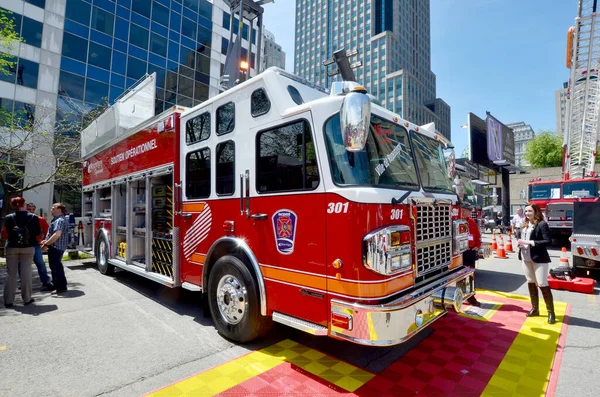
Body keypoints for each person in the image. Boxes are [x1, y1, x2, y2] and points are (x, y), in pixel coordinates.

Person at [517, 204, 556, 324]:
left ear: (536, 211)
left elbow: (548, 241)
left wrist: (529, 242)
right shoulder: (524, 224)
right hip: (525, 257)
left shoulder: (542, 224)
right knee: (531, 282)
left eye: (530, 211)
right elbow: (522, 238)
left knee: (542, 283)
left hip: (539, 258)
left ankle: (551, 312)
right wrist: (521, 244)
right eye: (526, 211)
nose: (527, 213)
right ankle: (535, 309)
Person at [2, 197, 41, 307]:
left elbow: (7, 231)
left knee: (11, 274)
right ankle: (27, 299)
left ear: (13, 205)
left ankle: (8, 301)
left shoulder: (9, 218)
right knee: (26, 273)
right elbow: (38, 231)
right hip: (28, 247)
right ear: (24, 204)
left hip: (12, 247)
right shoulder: (33, 217)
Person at [41, 203, 70, 294]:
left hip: (56, 247)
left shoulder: (60, 220)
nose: (51, 210)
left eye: (53, 208)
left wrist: (46, 244)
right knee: (54, 267)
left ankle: (61, 287)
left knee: (56, 267)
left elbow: (57, 234)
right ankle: (56, 285)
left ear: (59, 210)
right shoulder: (57, 219)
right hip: (55, 246)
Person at [26, 203, 54, 291]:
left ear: (35, 210)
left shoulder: (40, 219)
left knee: (40, 263)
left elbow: (47, 231)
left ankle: (46, 281)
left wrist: (43, 242)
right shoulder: (23, 219)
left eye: (32, 210)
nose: (31, 211)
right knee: (23, 265)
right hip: (24, 245)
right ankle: (24, 282)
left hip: (36, 244)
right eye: (29, 209)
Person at [461, 204, 481, 307]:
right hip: (461, 253)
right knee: (460, 276)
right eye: (465, 210)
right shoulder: (458, 221)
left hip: (470, 251)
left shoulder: (472, 222)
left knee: (471, 274)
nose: (467, 212)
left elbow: (477, 235)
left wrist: (477, 246)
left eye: (468, 211)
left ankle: (470, 297)